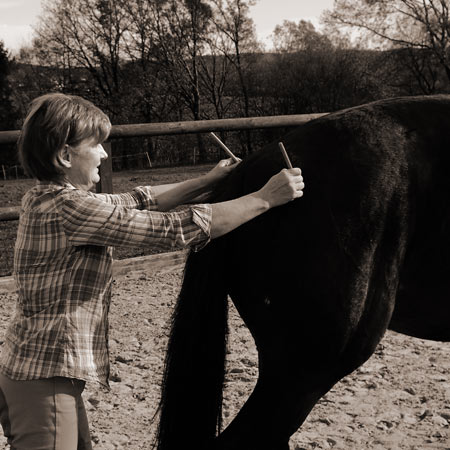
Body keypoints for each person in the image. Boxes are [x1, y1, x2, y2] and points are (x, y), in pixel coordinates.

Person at [0, 93, 304, 449]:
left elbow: (142, 200)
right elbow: (172, 228)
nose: (103, 154)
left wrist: (208, 181)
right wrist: (264, 198)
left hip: (32, 372)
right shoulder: (70, 209)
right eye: (96, 145)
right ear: (65, 156)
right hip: (45, 380)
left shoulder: (46, 197)